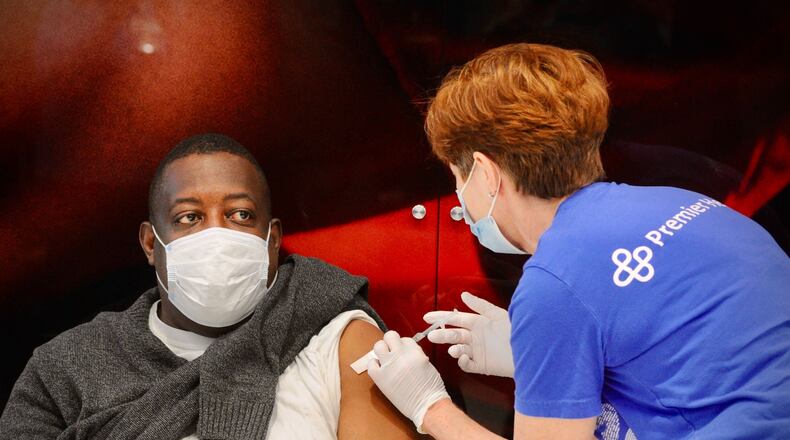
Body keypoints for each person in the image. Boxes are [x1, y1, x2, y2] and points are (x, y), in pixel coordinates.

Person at [366, 43, 790, 439]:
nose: (459, 196)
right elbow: (686, 360)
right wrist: (535, 363)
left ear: (486, 171)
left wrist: (430, 406)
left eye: (457, 176)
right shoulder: (688, 204)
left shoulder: (554, 284)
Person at [0, 134, 419, 439]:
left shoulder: (340, 341)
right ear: (151, 243)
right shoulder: (67, 367)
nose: (217, 235)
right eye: (189, 218)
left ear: (271, 240)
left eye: (239, 215)